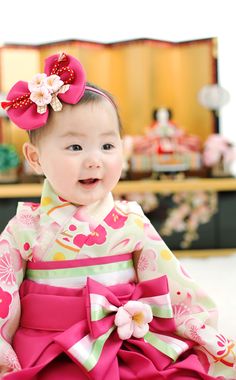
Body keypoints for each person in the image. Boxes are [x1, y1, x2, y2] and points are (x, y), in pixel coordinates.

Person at [0, 52, 235, 380]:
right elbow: (4, 295)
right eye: (76, 148)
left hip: (124, 341)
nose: (95, 160)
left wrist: (197, 327)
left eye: (108, 146)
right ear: (35, 158)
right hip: (48, 347)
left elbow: (173, 282)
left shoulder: (131, 220)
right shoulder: (24, 229)